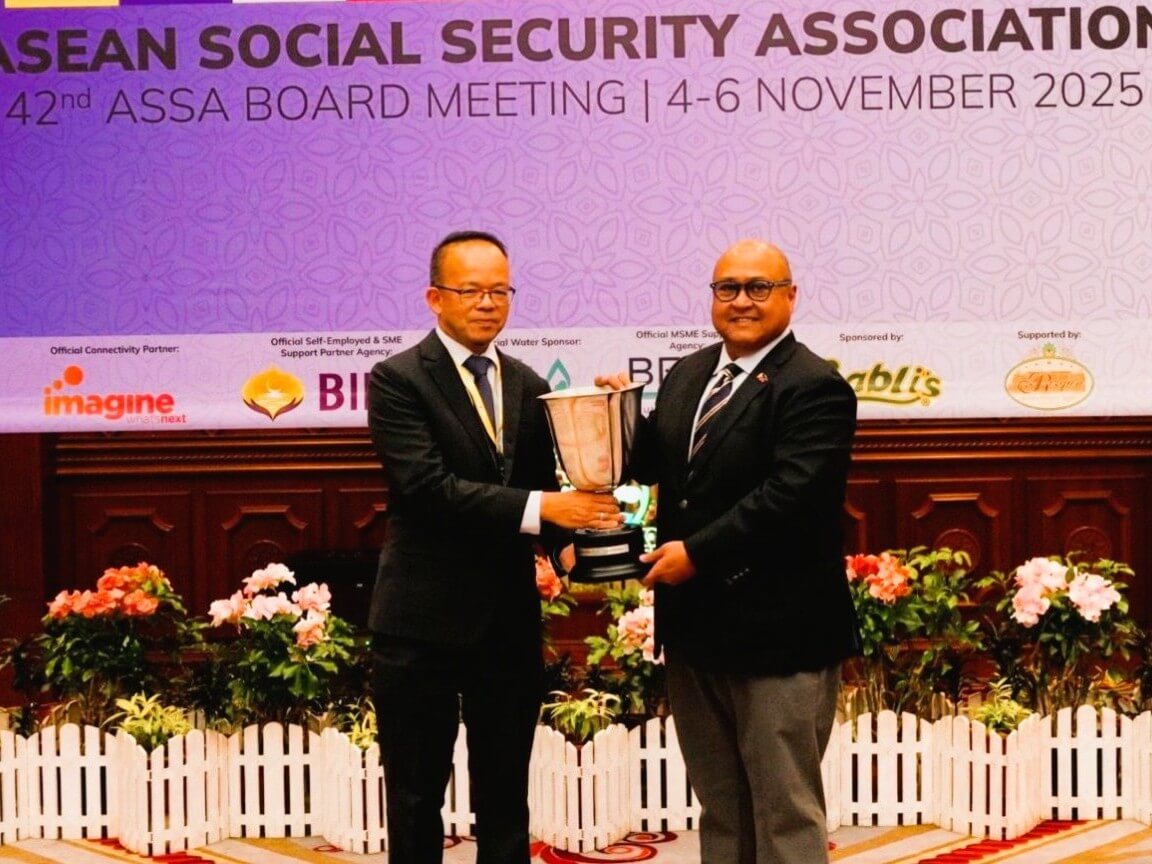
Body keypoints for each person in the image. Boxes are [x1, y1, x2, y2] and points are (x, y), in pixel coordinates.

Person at [598, 239, 860, 864]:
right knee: (721, 809)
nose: (742, 300)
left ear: (790, 296)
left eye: (758, 287)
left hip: (780, 634)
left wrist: (697, 554)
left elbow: (790, 497)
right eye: (727, 288)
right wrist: (619, 416)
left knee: (784, 811)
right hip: (696, 631)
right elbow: (658, 466)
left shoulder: (815, 387)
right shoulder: (690, 374)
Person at [366, 230, 620, 864]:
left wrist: (571, 544)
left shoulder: (529, 383)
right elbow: (427, 489)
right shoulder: (398, 379)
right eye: (472, 290)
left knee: (506, 796)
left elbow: (540, 487)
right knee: (416, 794)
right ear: (435, 297)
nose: (488, 303)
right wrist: (546, 509)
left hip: (506, 621)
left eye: (500, 291)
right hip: (421, 621)